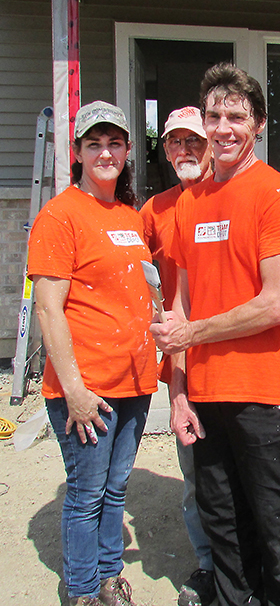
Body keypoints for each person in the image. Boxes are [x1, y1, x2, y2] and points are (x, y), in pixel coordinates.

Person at [150, 62, 280, 606]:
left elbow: (276, 303)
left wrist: (193, 333)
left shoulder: (275, 195)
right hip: (203, 396)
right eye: (214, 116)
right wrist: (177, 395)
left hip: (262, 396)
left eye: (236, 117)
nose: (223, 128)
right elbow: (177, 304)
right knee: (221, 523)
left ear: (259, 125)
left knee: (277, 528)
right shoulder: (191, 202)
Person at [27, 101, 158, 606]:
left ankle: (108, 579)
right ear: (77, 152)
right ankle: (81, 590)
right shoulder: (60, 215)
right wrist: (76, 392)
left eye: (115, 143)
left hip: (134, 379)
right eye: (93, 144)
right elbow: (48, 311)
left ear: (127, 150)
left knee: (115, 488)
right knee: (85, 494)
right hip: (87, 385)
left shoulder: (129, 216)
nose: (105, 152)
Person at [140, 106, 215, 606]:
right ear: (164, 150)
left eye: (193, 141)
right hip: (183, 364)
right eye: (174, 143)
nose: (184, 151)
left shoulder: (233, 195)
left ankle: (257, 568)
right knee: (194, 476)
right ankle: (209, 567)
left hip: (239, 361)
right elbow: (129, 277)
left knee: (251, 477)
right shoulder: (155, 210)